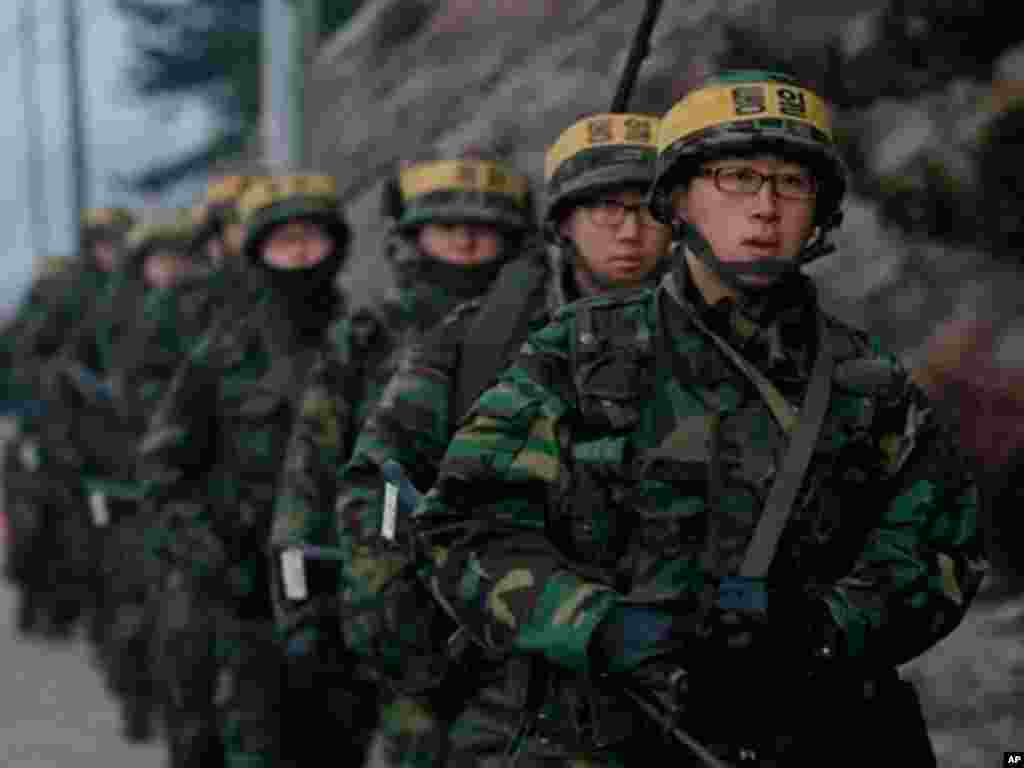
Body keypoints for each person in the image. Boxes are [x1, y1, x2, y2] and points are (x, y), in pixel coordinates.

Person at [409, 71, 986, 766]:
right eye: (736, 178)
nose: (766, 207)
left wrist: (824, 630)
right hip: (603, 738)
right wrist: (602, 628)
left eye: (792, 184)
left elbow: (941, 551)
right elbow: (464, 528)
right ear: (678, 201)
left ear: (822, 214)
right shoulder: (575, 355)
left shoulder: (871, 383)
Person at [331, 112, 671, 768]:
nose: (628, 230)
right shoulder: (476, 341)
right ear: (563, 224)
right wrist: (408, 642)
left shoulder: (717, 344)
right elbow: (382, 488)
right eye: (603, 208)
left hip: (673, 682)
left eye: (648, 208)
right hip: (502, 686)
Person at [269, 153, 536, 767]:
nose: (467, 242)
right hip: (396, 604)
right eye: (448, 229)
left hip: (514, 600)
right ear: (410, 239)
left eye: (485, 230)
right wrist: (301, 608)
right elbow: (307, 476)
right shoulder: (365, 336)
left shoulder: (548, 329)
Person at [138, 174, 351, 768]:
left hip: (343, 602)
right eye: (286, 241)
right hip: (249, 603)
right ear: (258, 252)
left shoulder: (367, 340)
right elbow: (162, 470)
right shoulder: (223, 353)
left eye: (313, 239)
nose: (302, 255)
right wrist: (213, 559)